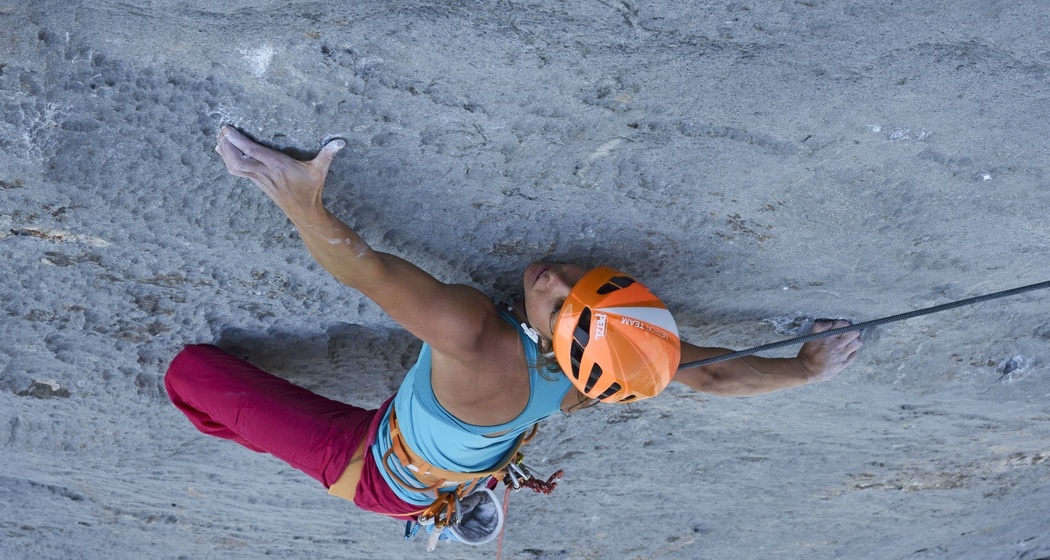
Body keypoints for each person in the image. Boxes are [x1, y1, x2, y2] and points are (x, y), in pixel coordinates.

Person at [165, 126, 862, 543]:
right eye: (585, 283)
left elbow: (366, 271)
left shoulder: (476, 338)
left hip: (377, 471)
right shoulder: (609, 371)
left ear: (562, 345)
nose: (553, 278)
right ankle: (449, 461)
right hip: (457, 444)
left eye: (561, 303)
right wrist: (804, 370)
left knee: (191, 376)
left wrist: (298, 198)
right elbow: (710, 373)